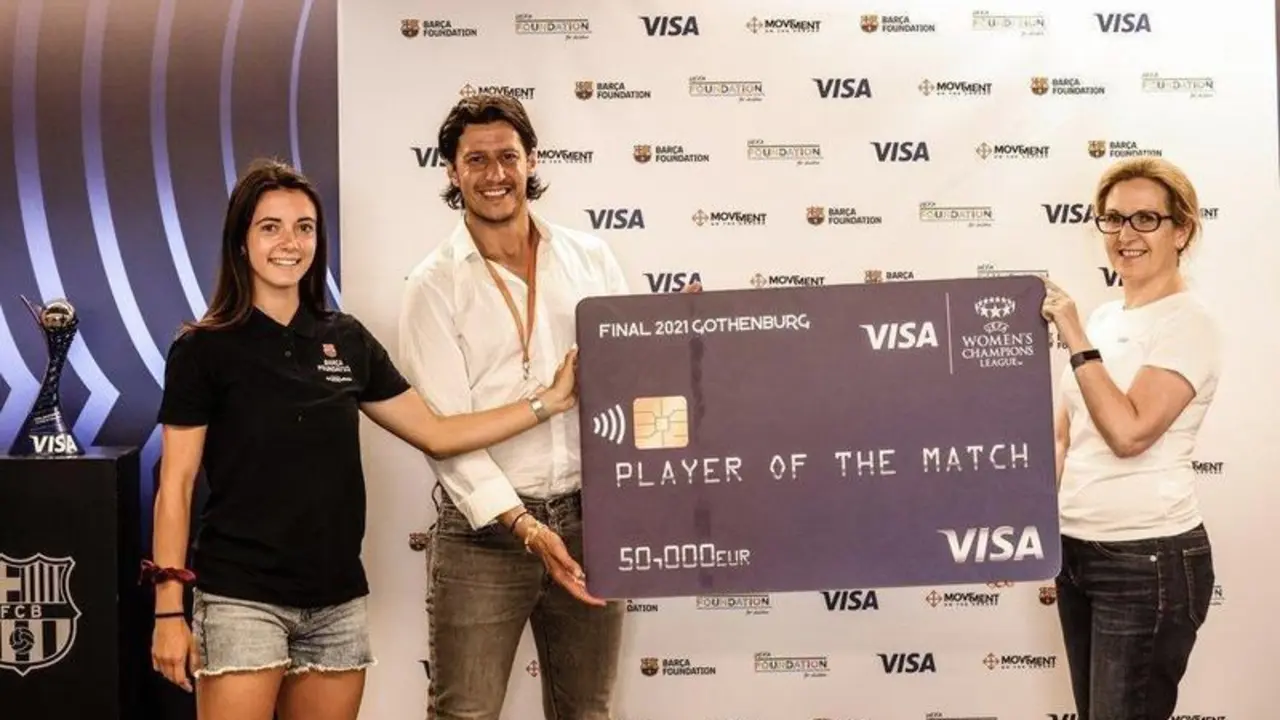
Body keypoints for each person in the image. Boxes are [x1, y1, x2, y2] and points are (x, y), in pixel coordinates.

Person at [147, 158, 582, 720]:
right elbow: (175, 487)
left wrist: (547, 402)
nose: (290, 242)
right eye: (270, 227)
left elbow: (437, 432)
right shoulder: (203, 349)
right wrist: (167, 610)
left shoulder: (344, 339)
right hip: (240, 599)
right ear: (241, 241)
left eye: (304, 227)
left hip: (336, 604)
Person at [398, 93, 699, 720]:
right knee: (465, 715)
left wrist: (680, 342)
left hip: (593, 524)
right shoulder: (433, 284)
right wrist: (527, 529)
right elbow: (444, 434)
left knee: (586, 713)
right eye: (474, 160)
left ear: (531, 160)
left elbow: (632, 380)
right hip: (486, 537)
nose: (494, 174)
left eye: (507, 156)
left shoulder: (590, 258)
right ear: (451, 171)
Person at [1040, 156, 1221, 720]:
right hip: (1076, 552)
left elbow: (1128, 432)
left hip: (1146, 561)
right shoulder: (1103, 316)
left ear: (1181, 229)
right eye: (1113, 219)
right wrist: (1025, 525)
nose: (1125, 234)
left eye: (1146, 219)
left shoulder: (1188, 322)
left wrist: (1072, 334)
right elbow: (1065, 438)